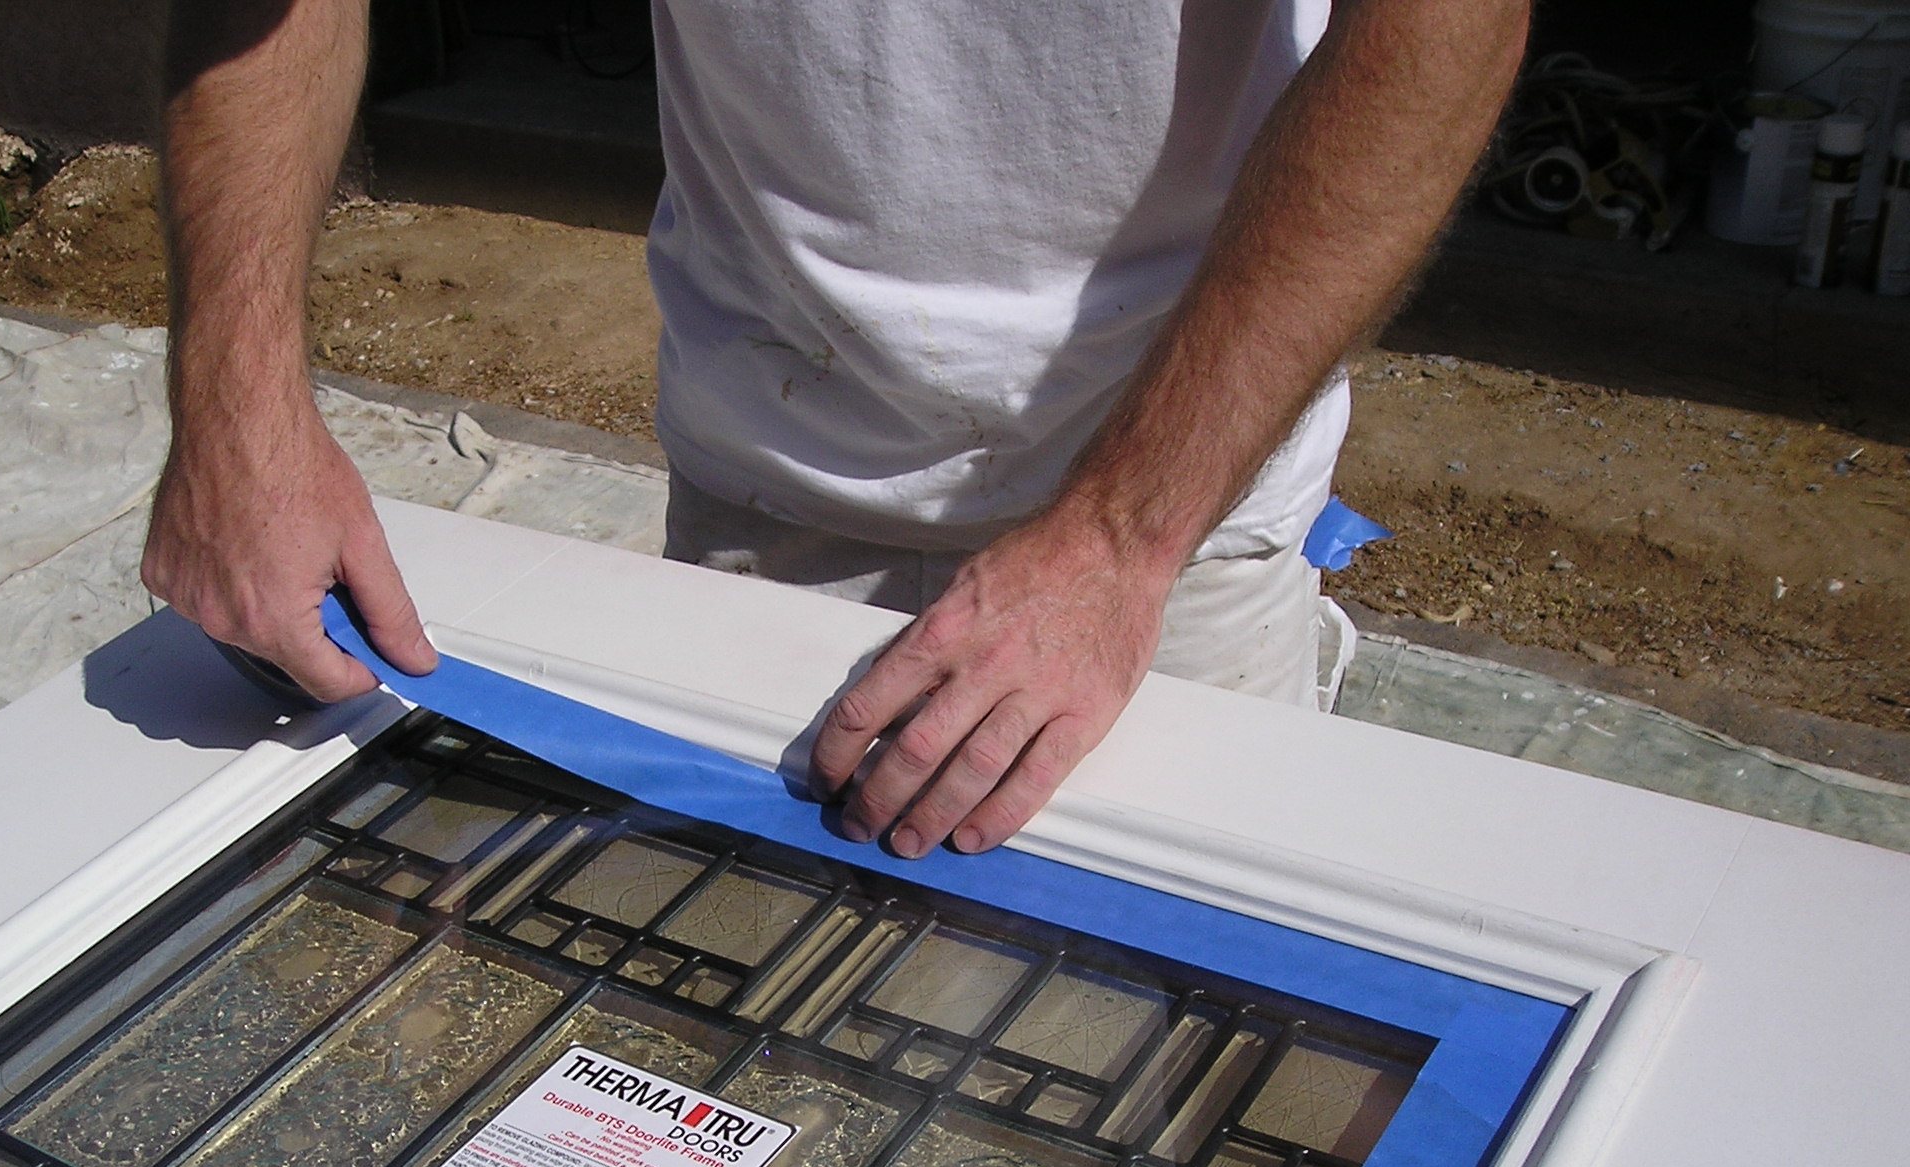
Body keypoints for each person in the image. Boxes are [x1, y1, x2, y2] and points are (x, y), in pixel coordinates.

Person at [143, 0, 1527, 857]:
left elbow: (1441, 28)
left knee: (1151, 1096)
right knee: (731, 1080)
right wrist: (234, 407)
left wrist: (1123, 536)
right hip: (768, 473)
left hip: (1173, 520)